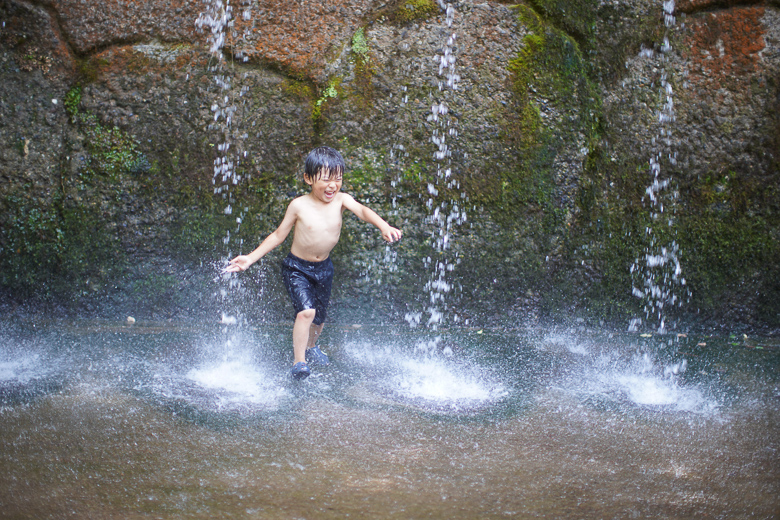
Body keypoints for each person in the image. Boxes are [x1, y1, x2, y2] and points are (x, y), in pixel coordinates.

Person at [225, 147, 403, 380]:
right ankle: (299, 362)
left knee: (319, 316)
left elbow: (362, 210)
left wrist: (384, 226)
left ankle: (311, 347)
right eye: (326, 179)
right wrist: (250, 258)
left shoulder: (341, 200)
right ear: (308, 178)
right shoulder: (298, 205)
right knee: (306, 312)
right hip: (297, 268)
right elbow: (279, 235)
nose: (332, 185)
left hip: (324, 268)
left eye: (337, 179)